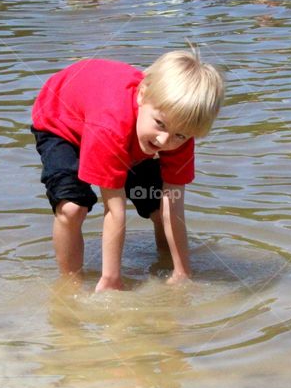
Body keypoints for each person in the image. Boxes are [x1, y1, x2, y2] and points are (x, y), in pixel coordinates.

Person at [31, 50, 224, 292]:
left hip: (124, 129)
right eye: (160, 124)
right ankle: (70, 283)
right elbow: (114, 211)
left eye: (180, 135)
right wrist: (112, 279)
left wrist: (182, 272)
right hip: (62, 121)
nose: (165, 140)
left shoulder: (178, 130)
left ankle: (164, 264)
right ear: (142, 95)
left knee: (157, 206)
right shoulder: (111, 126)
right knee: (72, 208)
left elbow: (172, 207)